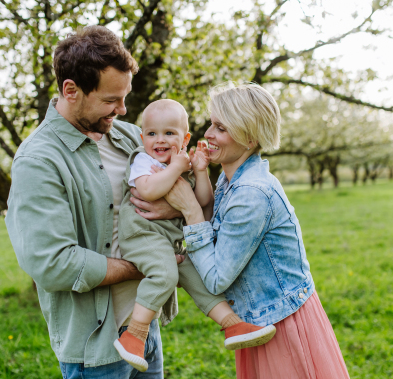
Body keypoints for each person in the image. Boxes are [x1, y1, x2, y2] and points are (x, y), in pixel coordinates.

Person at [5, 25, 181, 378]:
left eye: (125, 96)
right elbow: (52, 262)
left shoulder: (131, 137)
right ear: (71, 90)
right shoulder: (38, 161)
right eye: (111, 100)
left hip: (142, 327)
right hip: (94, 346)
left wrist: (173, 209)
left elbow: (177, 188)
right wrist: (146, 266)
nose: (124, 109)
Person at [163, 82, 351, 379]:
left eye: (220, 128)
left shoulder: (251, 192)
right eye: (212, 123)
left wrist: (190, 209)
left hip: (282, 325)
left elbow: (216, 279)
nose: (208, 134)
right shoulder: (230, 179)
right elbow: (216, 236)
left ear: (249, 137)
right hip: (262, 319)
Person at [113, 99, 276, 372]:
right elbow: (150, 191)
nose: (160, 140)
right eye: (152, 134)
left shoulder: (184, 163)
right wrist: (177, 168)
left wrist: (199, 171)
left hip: (172, 239)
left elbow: (202, 201)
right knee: (165, 274)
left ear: (185, 137)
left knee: (197, 274)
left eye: (169, 133)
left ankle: (231, 324)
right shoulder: (143, 160)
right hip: (143, 235)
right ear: (142, 138)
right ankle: (134, 334)